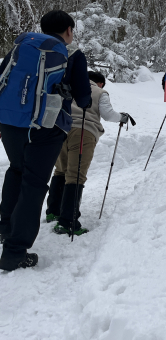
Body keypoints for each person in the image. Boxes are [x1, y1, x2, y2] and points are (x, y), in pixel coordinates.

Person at [0, 10, 92, 271]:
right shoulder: (72, 55)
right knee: (35, 183)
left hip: (10, 122)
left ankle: (5, 228)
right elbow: (84, 99)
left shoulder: (22, 44)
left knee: (16, 171)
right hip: (46, 127)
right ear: (69, 30)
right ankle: (15, 252)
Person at [46, 71, 131, 236]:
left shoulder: (69, 86)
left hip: (60, 130)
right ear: (100, 83)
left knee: (60, 170)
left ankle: (53, 211)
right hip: (83, 132)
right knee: (76, 175)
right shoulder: (100, 92)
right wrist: (122, 117)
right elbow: (108, 114)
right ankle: (67, 222)